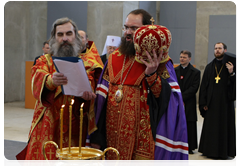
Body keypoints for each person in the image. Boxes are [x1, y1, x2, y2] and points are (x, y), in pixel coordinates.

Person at [90, 9, 188, 166]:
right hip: (112, 135)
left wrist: (151, 74)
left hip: (142, 139)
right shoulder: (114, 58)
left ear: (147, 31)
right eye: (126, 27)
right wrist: (97, 136)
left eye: (134, 29)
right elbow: (102, 101)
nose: (128, 33)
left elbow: (166, 102)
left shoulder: (160, 61)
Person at [16, 17, 103, 165]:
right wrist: (50, 81)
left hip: (76, 126)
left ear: (75, 36)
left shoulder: (89, 62)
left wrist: (89, 94)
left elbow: (94, 85)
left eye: (69, 34)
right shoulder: (44, 61)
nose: (65, 39)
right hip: (48, 126)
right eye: (60, 35)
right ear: (54, 38)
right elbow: (36, 81)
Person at [198, 42, 238, 159]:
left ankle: (224, 152)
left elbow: (235, 86)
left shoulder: (230, 66)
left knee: (224, 127)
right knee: (212, 128)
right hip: (211, 104)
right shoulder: (210, 67)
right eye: (215, 48)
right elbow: (204, 86)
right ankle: (209, 151)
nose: (217, 50)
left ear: (225, 50)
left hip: (225, 104)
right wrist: (203, 103)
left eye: (220, 48)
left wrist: (232, 73)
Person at [174, 50, 201, 154]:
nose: (182, 59)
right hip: (176, 101)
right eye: (181, 57)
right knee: (177, 122)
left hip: (189, 102)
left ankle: (189, 146)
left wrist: (182, 97)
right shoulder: (174, 71)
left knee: (189, 123)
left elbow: (194, 87)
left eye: (184, 57)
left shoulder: (196, 72)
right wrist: (178, 97)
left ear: (189, 59)